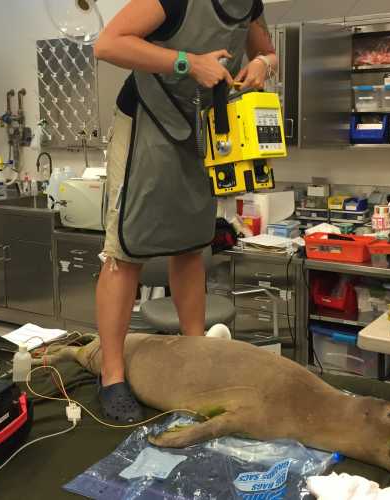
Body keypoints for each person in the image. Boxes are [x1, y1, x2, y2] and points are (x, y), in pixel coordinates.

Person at [92, 0, 277, 423]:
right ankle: (112, 374)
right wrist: (187, 63)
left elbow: (266, 49)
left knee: (192, 242)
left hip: (203, 124)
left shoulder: (248, 4)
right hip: (147, 120)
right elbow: (108, 45)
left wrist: (264, 63)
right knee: (126, 248)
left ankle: (196, 355)